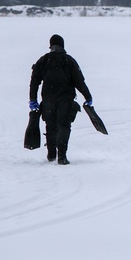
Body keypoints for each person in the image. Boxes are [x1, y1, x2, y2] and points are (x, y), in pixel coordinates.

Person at [29, 34, 93, 165]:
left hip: (48, 100)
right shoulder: (69, 61)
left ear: (51, 45)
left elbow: (34, 81)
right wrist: (88, 97)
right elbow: (79, 81)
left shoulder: (43, 60)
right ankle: (62, 156)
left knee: (50, 125)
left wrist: (33, 99)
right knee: (64, 126)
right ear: (62, 45)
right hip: (65, 100)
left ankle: (52, 153)